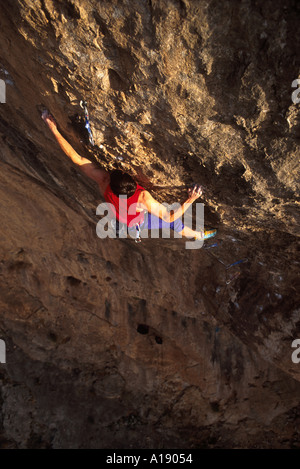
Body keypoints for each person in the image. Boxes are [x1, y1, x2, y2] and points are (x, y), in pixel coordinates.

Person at [42, 111, 215, 241]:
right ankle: (198, 236)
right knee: (174, 224)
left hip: (121, 218)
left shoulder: (104, 181)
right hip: (134, 222)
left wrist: (53, 128)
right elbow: (169, 216)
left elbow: (77, 159)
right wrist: (190, 199)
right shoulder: (142, 197)